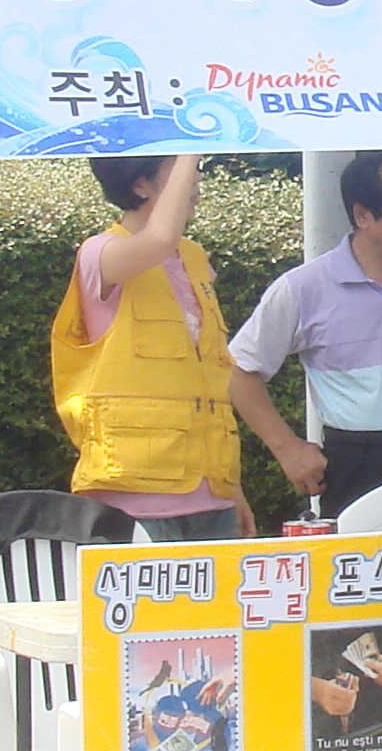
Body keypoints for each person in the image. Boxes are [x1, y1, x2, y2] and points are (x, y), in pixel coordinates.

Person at [225, 153, 382, 522]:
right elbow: (239, 370)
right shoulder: (305, 288)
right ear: (362, 215)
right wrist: (287, 448)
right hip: (357, 461)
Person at [51, 154, 253, 539]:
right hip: (132, 497)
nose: (196, 177)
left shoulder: (194, 259)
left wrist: (233, 489)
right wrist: (190, 146)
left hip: (213, 499)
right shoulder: (100, 253)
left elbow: (205, 380)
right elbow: (159, 240)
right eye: (181, 167)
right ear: (140, 185)